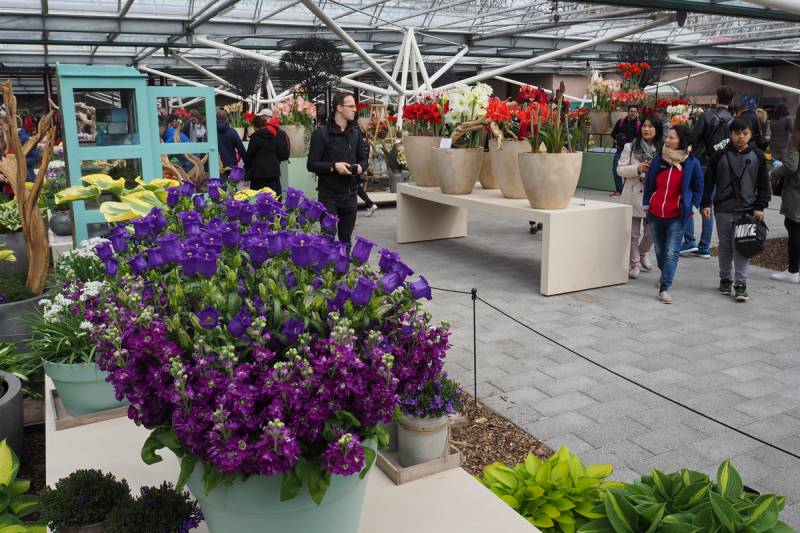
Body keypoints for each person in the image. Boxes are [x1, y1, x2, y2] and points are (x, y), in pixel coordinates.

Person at [701, 118, 771, 302]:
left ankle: (741, 284)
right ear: (730, 134)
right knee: (725, 245)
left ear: (751, 134)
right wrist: (706, 203)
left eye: (745, 133)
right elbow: (708, 182)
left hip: (747, 211)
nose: (741, 136)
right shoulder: (719, 155)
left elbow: (764, 185)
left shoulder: (758, 156)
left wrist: (760, 207)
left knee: (742, 245)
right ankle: (725, 279)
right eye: (737, 133)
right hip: (722, 209)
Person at [643, 125, 704, 304]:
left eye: (672, 137)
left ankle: (664, 287)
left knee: (671, 252)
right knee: (660, 250)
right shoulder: (658, 159)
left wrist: (693, 206)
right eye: (667, 137)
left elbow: (699, 187)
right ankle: (665, 274)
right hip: (655, 213)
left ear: (682, 141)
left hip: (677, 215)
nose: (667, 140)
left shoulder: (692, 163)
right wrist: (647, 204)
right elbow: (649, 184)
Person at [307, 91, 370, 248]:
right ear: (339, 108)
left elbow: (364, 159)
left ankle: (344, 264)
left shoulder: (355, 134)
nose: (355, 109)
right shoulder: (321, 134)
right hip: (328, 196)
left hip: (350, 195)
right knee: (327, 238)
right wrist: (334, 166)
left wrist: (360, 167)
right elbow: (311, 164)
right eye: (351, 106)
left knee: (346, 239)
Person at [683, 85, 736, 258]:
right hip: (721, 166)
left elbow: (693, 138)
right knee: (708, 205)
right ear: (731, 100)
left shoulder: (706, 116)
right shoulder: (733, 120)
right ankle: (705, 246)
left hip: (701, 164)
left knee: (688, 199)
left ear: (716, 97)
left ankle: (689, 240)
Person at [617, 115, 663, 279]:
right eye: (644, 126)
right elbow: (620, 169)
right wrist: (637, 168)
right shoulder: (630, 147)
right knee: (633, 234)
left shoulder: (662, 148)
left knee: (651, 232)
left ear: (657, 129)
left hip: (653, 195)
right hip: (633, 192)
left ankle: (643, 254)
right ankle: (635, 263)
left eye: (650, 126)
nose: (646, 129)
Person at [769, 129, 800, 284]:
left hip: (797, 191)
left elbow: (790, 165)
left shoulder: (796, 137)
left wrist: (773, 174)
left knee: (794, 227)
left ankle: (793, 271)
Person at [244, 114, 289, 197]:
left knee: (258, 197)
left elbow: (249, 156)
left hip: (257, 173)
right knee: (273, 196)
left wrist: (246, 169)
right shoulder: (276, 135)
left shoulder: (255, 137)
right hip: (273, 171)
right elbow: (281, 153)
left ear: (255, 127)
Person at [610, 105, 641, 196]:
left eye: (635, 111)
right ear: (628, 112)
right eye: (631, 111)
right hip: (620, 149)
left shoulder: (639, 124)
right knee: (616, 168)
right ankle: (619, 190)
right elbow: (613, 133)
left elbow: (641, 138)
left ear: (637, 113)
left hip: (632, 151)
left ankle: (625, 191)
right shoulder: (621, 122)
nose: (633, 113)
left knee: (629, 171)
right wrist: (618, 137)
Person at [216, 109, 247, 182]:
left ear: (216, 118)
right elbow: (241, 149)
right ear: (227, 119)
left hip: (215, 164)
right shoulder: (232, 132)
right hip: (231, 164)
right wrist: (247, 163)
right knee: (231, 186)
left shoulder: (211, 132)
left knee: (218, 186)